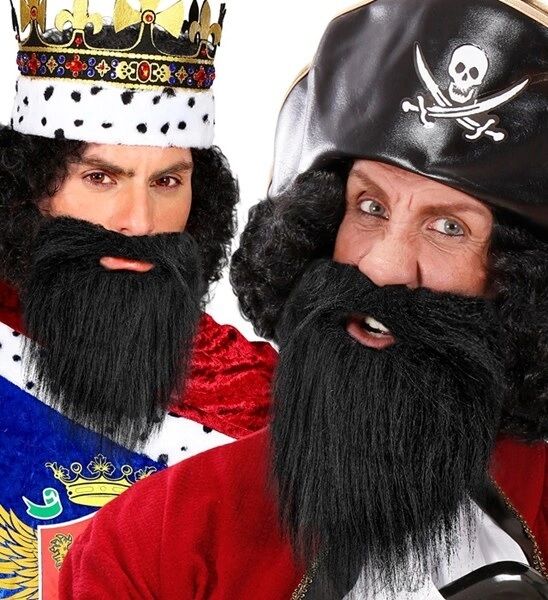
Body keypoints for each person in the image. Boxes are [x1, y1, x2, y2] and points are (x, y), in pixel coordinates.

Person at [59, 0, 547, 597]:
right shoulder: (156, 538)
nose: (382, 266)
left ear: (522, 282)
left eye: (449, 227)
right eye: (370, 206)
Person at [0, 1, 276, 598]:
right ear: (29, 193)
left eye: (167, 182)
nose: (139, 221)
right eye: (101, 178)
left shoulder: (255, 398)